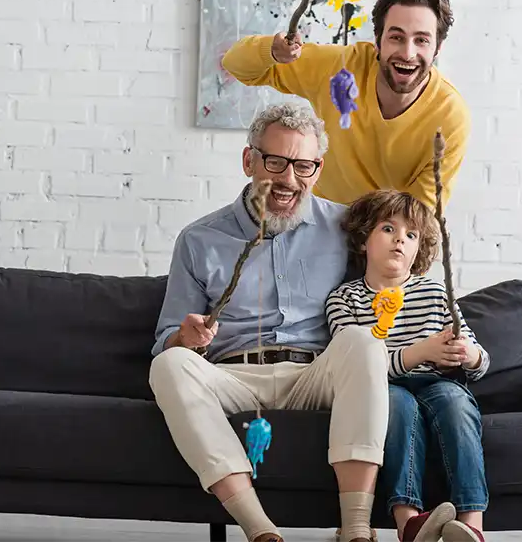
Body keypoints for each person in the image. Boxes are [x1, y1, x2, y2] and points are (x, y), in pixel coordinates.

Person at [149, 103, 392, 542]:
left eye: (304, 165)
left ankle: (356, 528)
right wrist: (185, 338)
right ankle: (260, 530)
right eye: (275, 162)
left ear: (318, 168)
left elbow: (387, 283)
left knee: (365, 343)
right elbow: (166, 340)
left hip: (313, 374)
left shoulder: (345, 227)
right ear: (249, 160)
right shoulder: (199, 239)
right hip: (233, 376)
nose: (288, 179)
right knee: (167, 366)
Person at [325, 189, 490, 542]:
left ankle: (472, 524)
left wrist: (469, 354)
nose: (400, 238)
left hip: (438, 382)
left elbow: (478, 358)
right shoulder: (345, 298)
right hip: (382, 388)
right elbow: (354, 366)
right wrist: (422, 350)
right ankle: (410, 522)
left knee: (456, 403)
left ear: (418, 251)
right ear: (363, 239)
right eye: (388, 228)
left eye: (411, 234)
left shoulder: (434, 294)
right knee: (397, 405)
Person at [221, 0, 470, 211]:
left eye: (422, 41)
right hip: (316, 225)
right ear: (377, 40)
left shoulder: (450, 116)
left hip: (384, 238)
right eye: (396, 37)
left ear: (438, 47)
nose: (407, 53)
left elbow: (419, 214)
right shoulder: (339, 69)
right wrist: (272, 51)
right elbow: (235, 64)